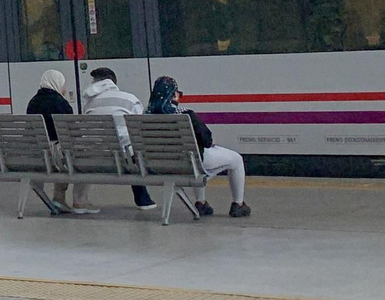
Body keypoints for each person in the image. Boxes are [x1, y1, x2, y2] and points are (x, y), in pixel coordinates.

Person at [147, 76, 251, 218]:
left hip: (158, 165)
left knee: (193, 156)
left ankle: (201, 203)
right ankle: (238, 204)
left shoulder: (146, 115)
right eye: (178, 93)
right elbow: (207, 140)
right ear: (173, 95)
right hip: (190, 163)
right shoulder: (185, 114)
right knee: (236, 160)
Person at [84, 67, 155, 210]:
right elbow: (141, 129)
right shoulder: (129, 99)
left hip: (95, 157)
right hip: (125, 159)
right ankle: (142, 198)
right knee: (132, 147)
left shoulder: (89, 104)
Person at [25, 69, 94, 213]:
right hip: (55, 154)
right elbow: (69, 134)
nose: (64, 88)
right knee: (83, 155)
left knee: (64, 155)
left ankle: (59, 199)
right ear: (57, 83)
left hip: (36, 154)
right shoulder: (60, 104)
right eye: (63, 84)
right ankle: (79, 201)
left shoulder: (32, 102)